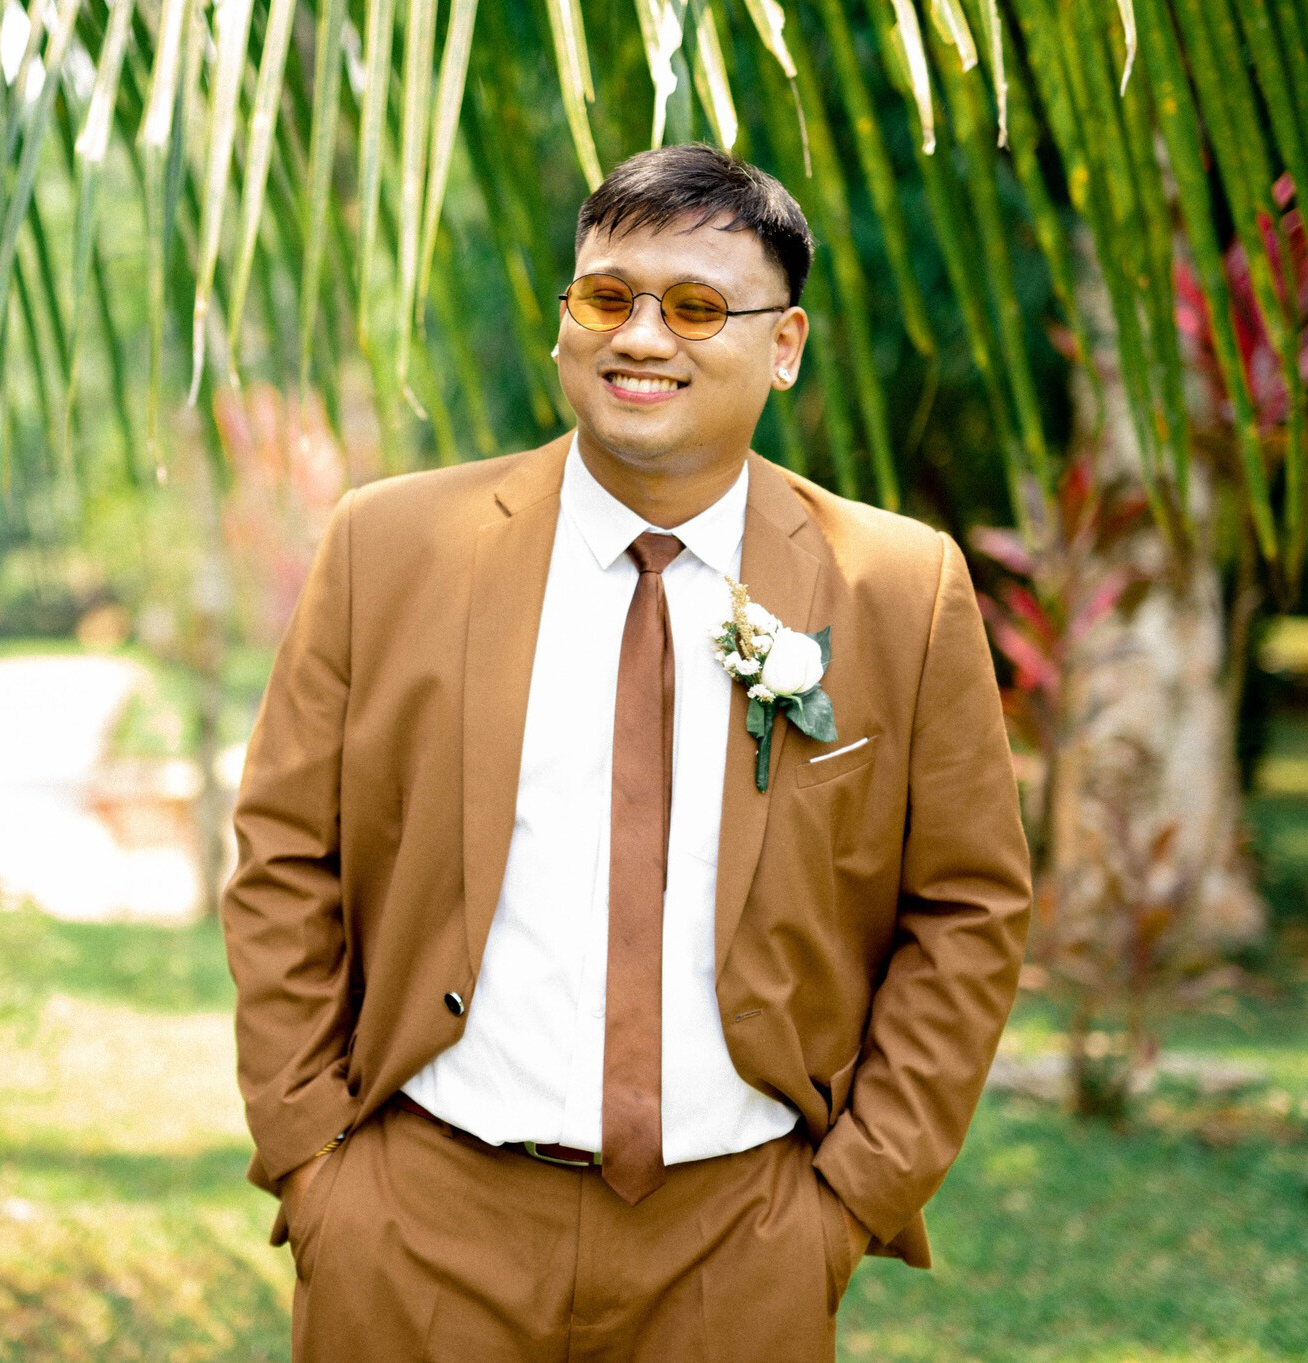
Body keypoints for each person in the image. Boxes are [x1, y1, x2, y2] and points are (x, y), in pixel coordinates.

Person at [221, 142, 1032, 1363]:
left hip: (739, 1240)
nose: (641, 337)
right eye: (607, 296)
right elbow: (285, 856)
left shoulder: (896, 587)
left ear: (784, 344)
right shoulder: (389, 547)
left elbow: (966, 906)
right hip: (419, 1222)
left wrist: (850, 1197)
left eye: (696, 307)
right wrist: (312, 1159)